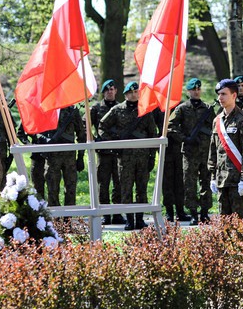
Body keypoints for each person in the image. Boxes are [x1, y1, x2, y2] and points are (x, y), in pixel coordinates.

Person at [99, 81, 157, 230]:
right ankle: (129, 220)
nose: (133, 94)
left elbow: (152, 134)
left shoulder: (145, 111)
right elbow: (102, 127)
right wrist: (114, 144)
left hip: (142, 157)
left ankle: (140, 219)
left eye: (136, 92)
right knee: (126, 189)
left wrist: (152, 157)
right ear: (125, 94)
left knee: (141, 189)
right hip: (124, 158)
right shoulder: (117, 110)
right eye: (130, 92)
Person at [168, 78, 215, 224]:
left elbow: (214, 127)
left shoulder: (208, 108)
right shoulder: (181, 108)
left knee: (205, 182)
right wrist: (184, 138)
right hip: (189, 152)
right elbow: (170, 126)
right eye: (193, 89)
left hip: (205, 151)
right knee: (189, 184)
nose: (196, 91)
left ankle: (205, 212)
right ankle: (194, 213)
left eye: (198, 89)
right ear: (188, 91)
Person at [209, 78, 243, 216]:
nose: (220, 97)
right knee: (224, 224)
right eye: (219, 94)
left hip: (237, 181)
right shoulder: (217, 120)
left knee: (239, 224)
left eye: (224, 94)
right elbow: (213, 150)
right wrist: (212, 176)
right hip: (222, 179)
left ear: (234, 95)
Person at [90, 80, 125, 225]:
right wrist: (94, 141)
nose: (110, 91)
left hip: (118, 152)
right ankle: (105, 214)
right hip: (103, 153)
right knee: (103, 184)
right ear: (103, 92)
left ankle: (117, 213)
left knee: (119, 183)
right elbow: (85, 126)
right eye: (107, 90)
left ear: (116, 90)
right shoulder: (96, 108)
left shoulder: (121, 108)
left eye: (112, 89)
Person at [39, 105, 86, 207]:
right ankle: (55, 220)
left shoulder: (73, 111)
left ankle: (67, 220)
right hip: (52, 156)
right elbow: (37, 130)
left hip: (70, 158)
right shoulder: (48, 108)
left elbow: (81, 135)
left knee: (70, 189)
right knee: (52, 189)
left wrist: (81, 157)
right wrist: (43, 140)